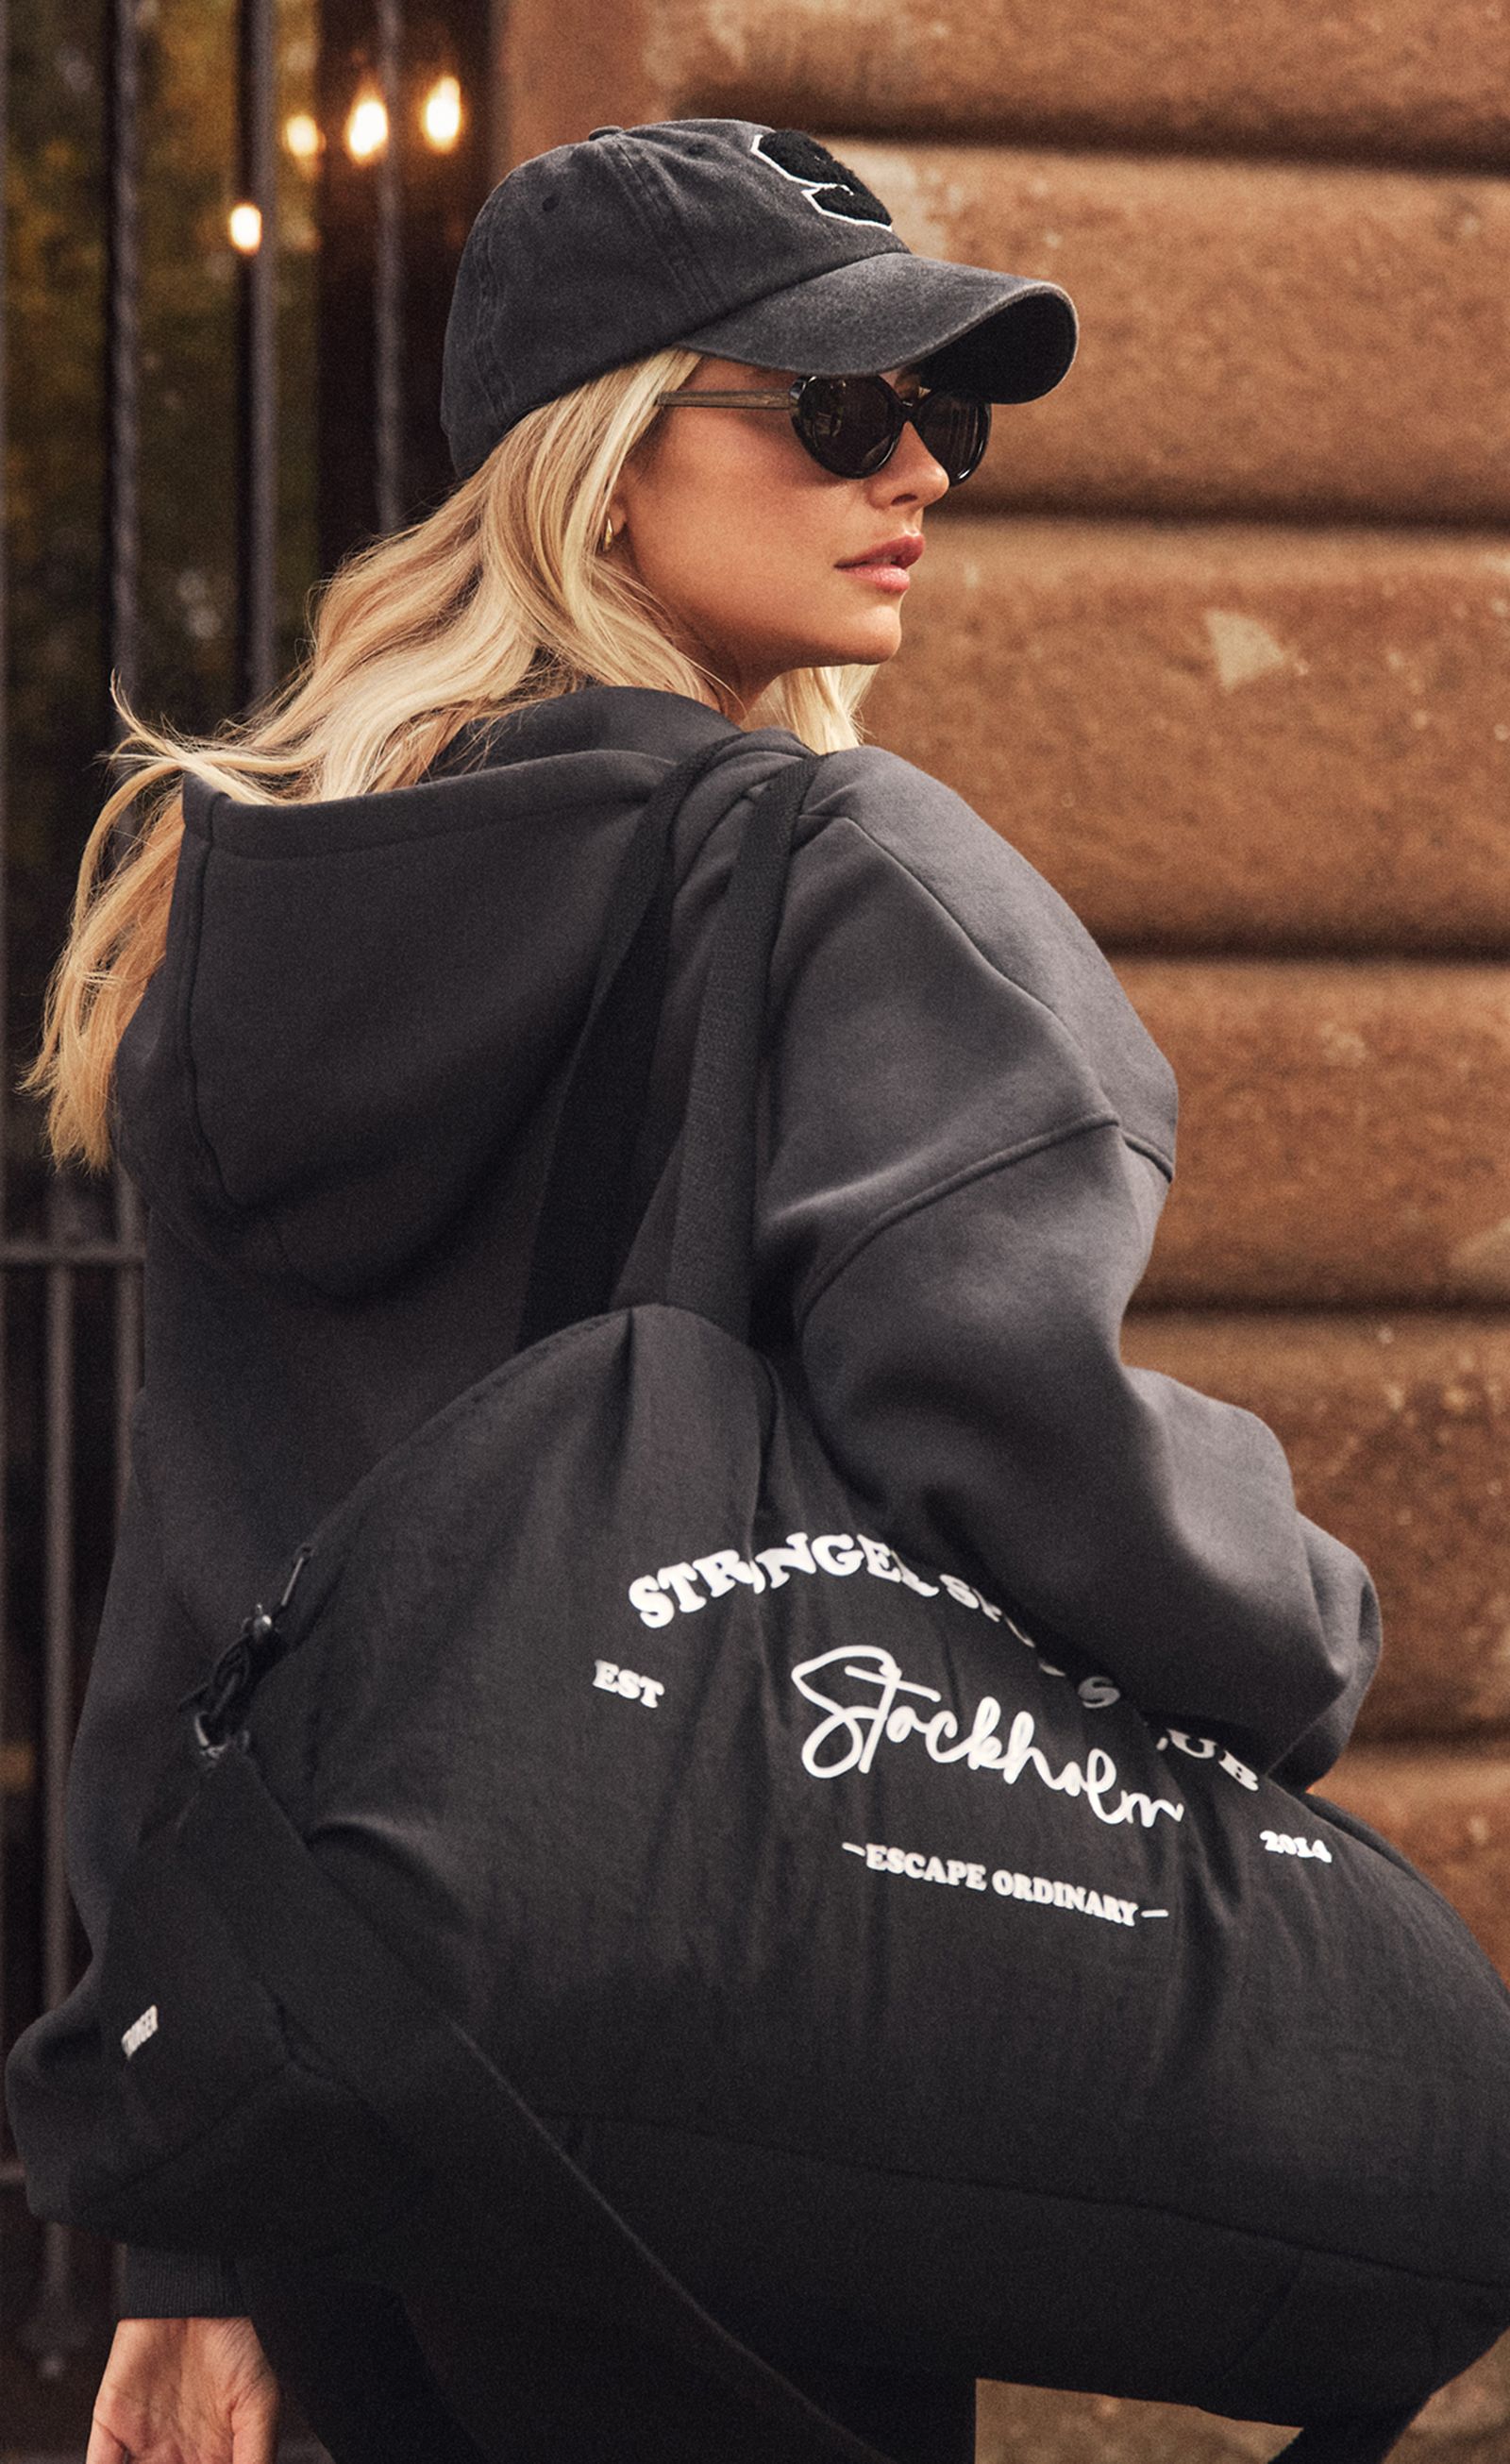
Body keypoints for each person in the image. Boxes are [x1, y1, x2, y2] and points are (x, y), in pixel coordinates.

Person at [8, 120, 1382, 2464]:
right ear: (602, 467)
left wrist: (191, 2241)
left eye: (939, 418)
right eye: (839, 411)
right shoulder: (835, 874)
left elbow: (201, 1598)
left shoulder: (255, 921)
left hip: (352, 2095)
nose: (921, 474)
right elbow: (997, 1411)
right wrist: (1300, 1621)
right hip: (710, 2071)